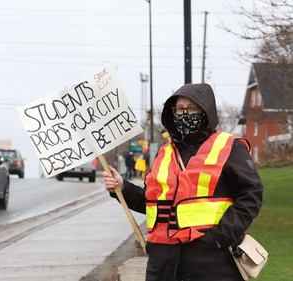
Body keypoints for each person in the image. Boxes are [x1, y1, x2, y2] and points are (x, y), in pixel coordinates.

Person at [102, 83, 263, 281]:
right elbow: (153, 204)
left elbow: (251, 195)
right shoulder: (164, 153)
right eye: (180, 109)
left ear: (206, 111)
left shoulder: (230, 147)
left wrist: (218, 238)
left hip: (211, 262)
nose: (185, 114)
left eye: (192, 108)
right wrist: (122, 187)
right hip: (162, 263)